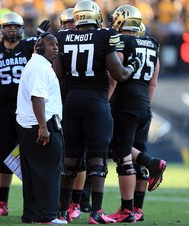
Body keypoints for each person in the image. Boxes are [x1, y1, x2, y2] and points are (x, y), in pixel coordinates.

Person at [53, 0, 141, 224]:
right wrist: (134, 65)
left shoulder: (63, 36)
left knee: (70, 158)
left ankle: (61, 212)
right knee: (97, 159)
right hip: (96, 102)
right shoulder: (105, 36)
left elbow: (58, 75)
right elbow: (119, 74)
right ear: (95, 17)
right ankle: (96, 212)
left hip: (71, 102)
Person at [0, 12, 48, 216]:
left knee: (31, 153)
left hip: (28, 108)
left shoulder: (29, 45)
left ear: (21, 29)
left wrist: (41, 38)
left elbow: (46, 53)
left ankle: (34, 199)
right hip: (4, 108)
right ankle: (2, 203)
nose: (12, 30)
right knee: (4, 155)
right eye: (8, 27)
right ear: (1, 29)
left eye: (15, 26)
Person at [107, 5, 165, 223]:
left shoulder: (122, 42)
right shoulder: (152, 44)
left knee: (121, 153)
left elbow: (114, 76)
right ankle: (138, 209)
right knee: (135, 151)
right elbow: (153, 83)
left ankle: (126, 209)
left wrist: (105, 100)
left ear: (121, 21)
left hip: (125, 102)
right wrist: (145, 107)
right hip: (144, 104)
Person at [16, 32, 66, 224]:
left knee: (32, 174)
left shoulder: (37, 65)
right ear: (39, 47)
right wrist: (43, 127)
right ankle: (46, 215)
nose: (56, 48)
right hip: (41, 125)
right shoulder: (39, 67)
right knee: (48, 171)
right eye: (51, 44)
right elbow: (37, 97)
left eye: (56, 45)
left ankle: (32, 214)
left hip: (29, 124)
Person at [57, 8, 87, 220]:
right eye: (66, 23)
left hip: (80, 102)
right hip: (61, 103)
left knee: (80, 157)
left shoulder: (90, 41)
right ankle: (62, 201)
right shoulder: (57, 42)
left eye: (73, 22)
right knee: (64, 156)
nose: (70, 26)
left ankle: (75, 202)